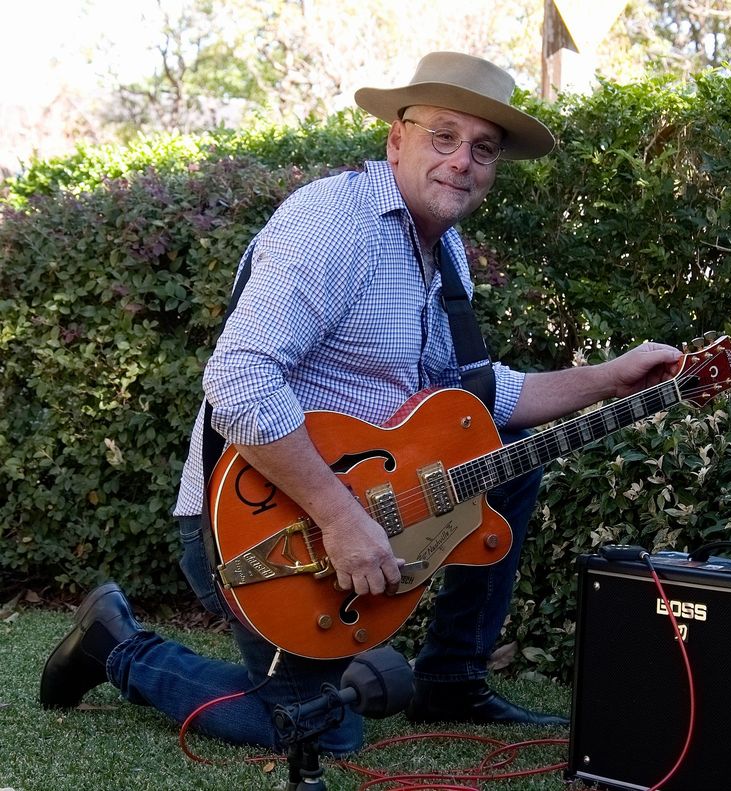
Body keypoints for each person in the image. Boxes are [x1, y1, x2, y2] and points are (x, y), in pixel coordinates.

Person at [39, 51, 681, 755]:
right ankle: (115, 643)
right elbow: (238, 379)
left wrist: (613, 377)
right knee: (315, 726)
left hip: (365, 499)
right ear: (396, 138)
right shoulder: (335, 224)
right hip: (263, 524)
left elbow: (477, 394)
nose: (462, 160)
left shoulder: (445, 250)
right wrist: (341, 517)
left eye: (482, 148)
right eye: (443, 136)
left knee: (502, 455)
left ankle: (452, 677)